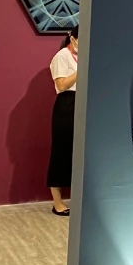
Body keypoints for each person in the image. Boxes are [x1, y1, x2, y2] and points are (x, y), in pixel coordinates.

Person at [48, 25, 78, 216]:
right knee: (61, 151)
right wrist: (82, 68)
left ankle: (79, 198)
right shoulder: (62, 56)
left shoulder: (84, 56)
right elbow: (61, 85)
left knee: (80, 152)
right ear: (72, 38)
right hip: (67, 104)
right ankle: (57, 202)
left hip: (84, 103)